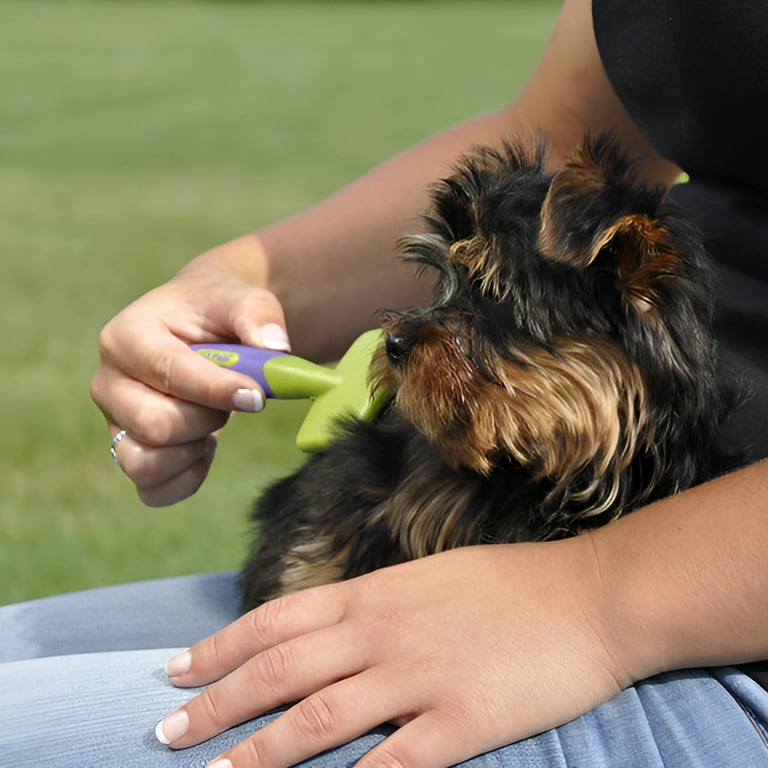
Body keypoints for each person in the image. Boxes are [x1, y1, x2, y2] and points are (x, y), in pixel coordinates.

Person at [2, 0, 767, 765]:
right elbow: (561, 135)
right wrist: (238, 281)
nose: (405, 333)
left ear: (630, 270)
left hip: (699, 630)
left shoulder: (612, 275)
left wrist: (594, 600)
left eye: (490, 307)